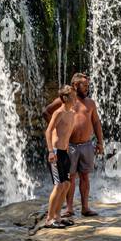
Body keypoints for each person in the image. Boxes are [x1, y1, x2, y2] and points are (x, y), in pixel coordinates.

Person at [42, 72, 104, 218]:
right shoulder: (66, 100)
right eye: (84, 85)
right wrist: (57, 129)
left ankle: (85, 207)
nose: (87, 88)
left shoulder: (90, 103)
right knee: (70, 178)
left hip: (87, 144)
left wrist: (100, 142)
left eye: (88, 85)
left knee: (85, 177)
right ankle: (69, 208)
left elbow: (96, 122)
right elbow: (46, 112)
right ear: (75, 85)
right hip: (69, 146)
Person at [41, 85, 77, 229]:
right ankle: (49, 218)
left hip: (64, 152)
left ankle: (58, 216)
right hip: (55, 152)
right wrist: (50, 151)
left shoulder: (72, 113)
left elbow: (66, 133)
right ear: (64, 98)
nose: (75, 98)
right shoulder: (59, 113)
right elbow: (48, 131)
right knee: (59, 185)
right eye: (72, 96)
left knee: (67, 184)